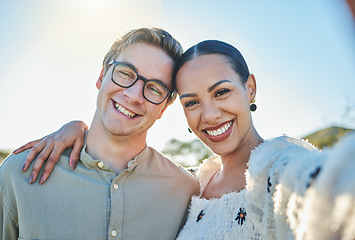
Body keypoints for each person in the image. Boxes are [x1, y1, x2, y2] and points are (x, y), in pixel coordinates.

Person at [12, 40, 355, 239]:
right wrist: (78, 129)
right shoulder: (197, 184)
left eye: (221, 92)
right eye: (192, 102)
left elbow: (323, 193)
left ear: (249, 87)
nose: (208, 115)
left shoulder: (276, 165)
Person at [0, 27, 200, 240]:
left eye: (154, 88)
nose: (133, 96)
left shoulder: (187, 192)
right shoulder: (18, 173)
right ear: (102, 75)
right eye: (125, 73)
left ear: (164, 108)